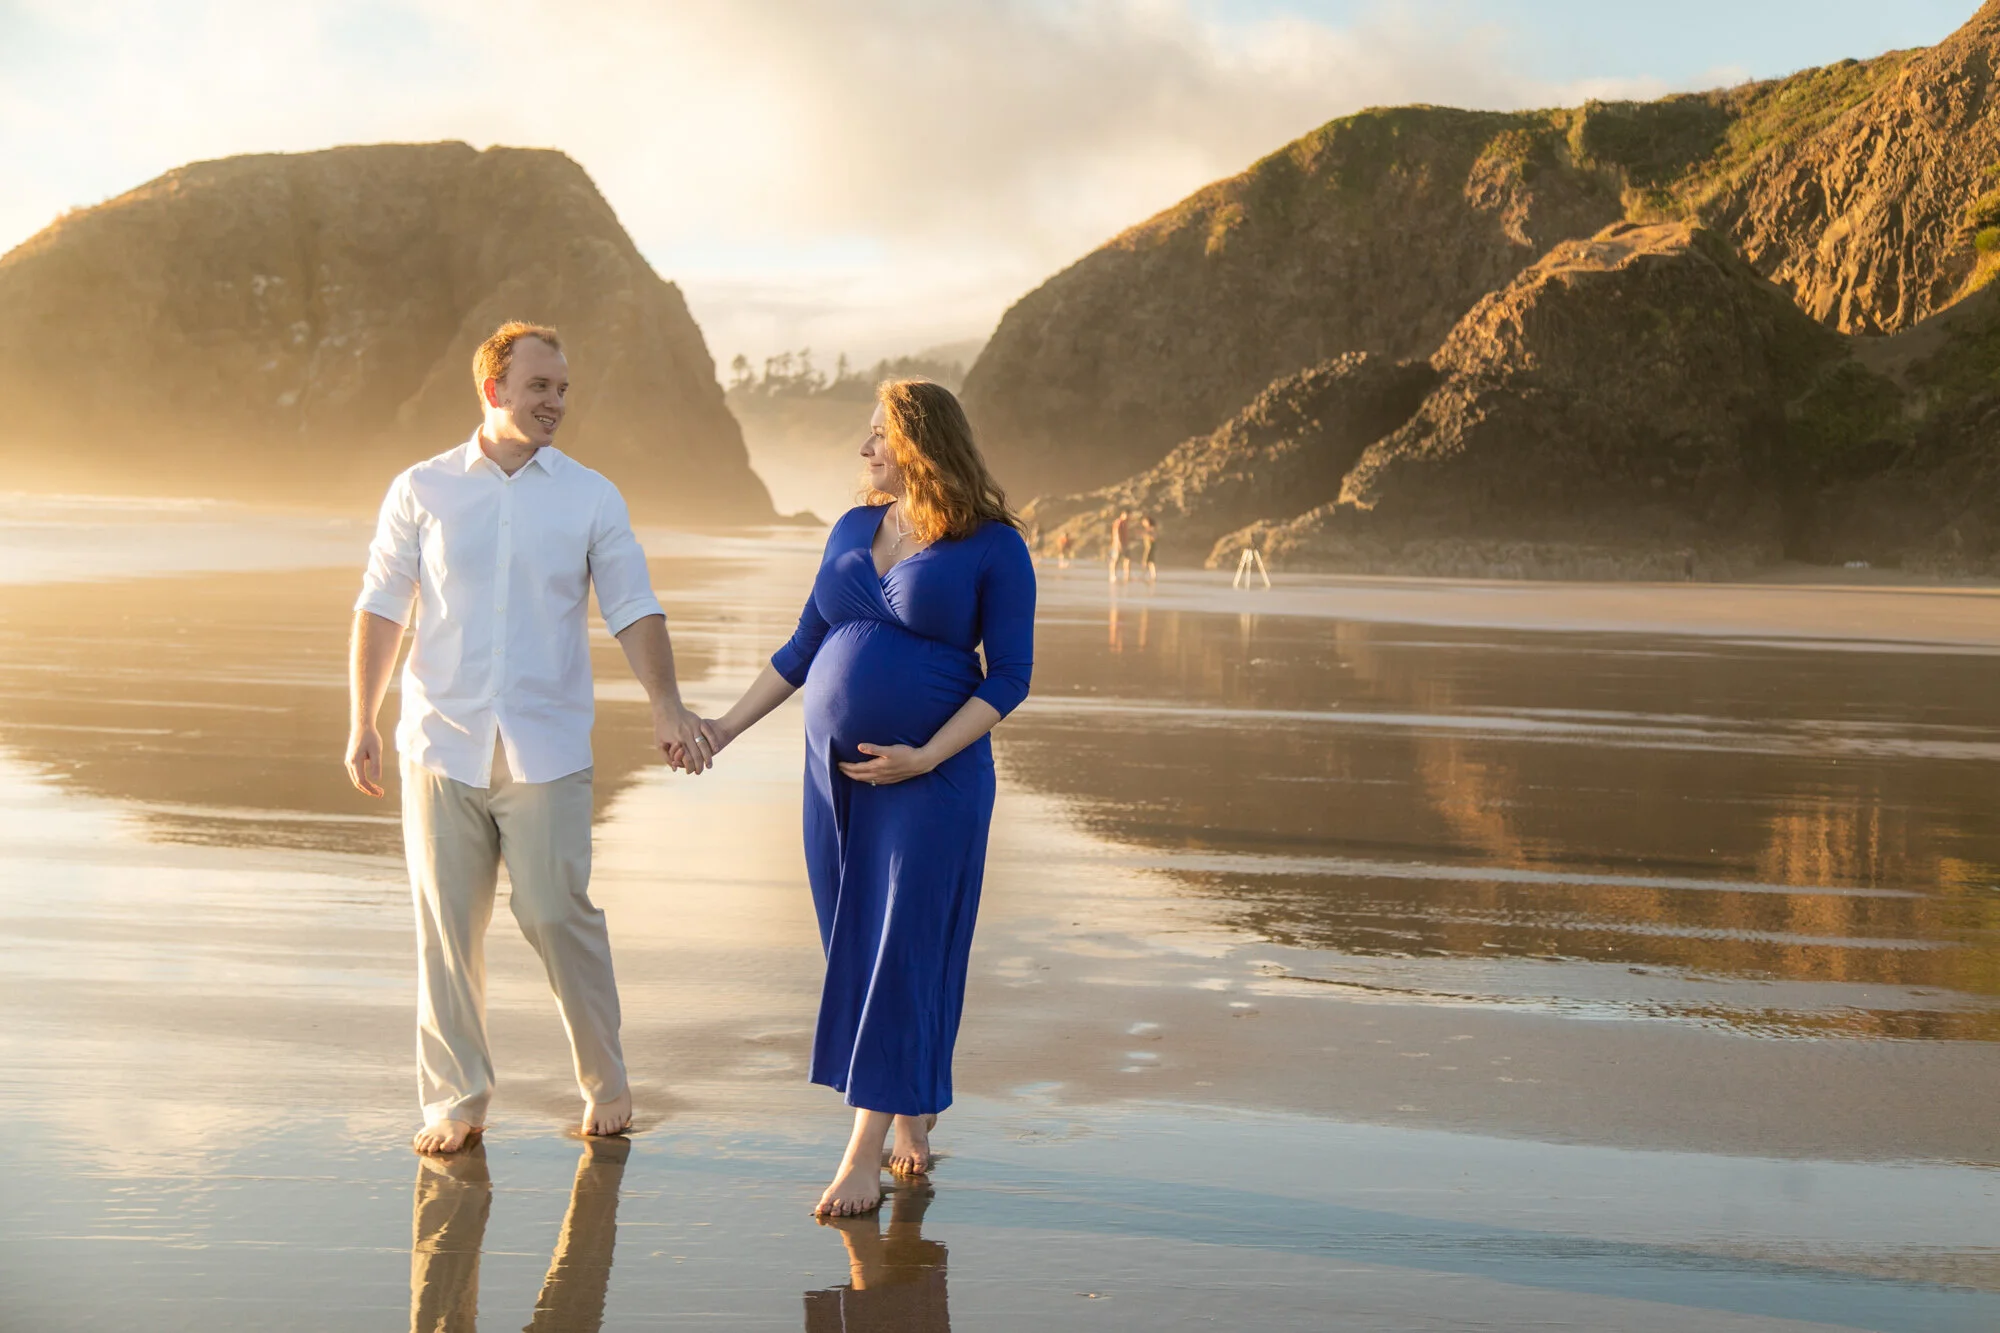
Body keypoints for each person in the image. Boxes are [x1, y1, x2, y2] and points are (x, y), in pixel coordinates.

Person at [345, 321, 714, 1156]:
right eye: (540, 387)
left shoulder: (590, 495)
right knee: (445, 928)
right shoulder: (422, 489)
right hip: (441, 743)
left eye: (562, 389)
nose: (555, 402)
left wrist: (667, 703)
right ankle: (456, 1099)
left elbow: (633, 606)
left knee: (556, 914)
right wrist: (362, 719)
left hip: (546, 749)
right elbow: (382, 606)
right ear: (494, 390)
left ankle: (606, 1080)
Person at [704, 379, 1035, 1217]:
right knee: (854, 939)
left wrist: (923, 755)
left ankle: (861, 1154)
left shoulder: (993, 546)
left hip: (936, 782)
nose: (864, 451)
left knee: (899, 947)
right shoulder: (854, 528)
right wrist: (722, 729)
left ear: (920, 443)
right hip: (834, 779)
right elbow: (801, 646)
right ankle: (911, 1104)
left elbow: (1012, 677)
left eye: (878, 436)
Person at [1109, 510, 1130, 582]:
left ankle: (1126, 575)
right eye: (1126, 515)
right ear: (1122, 514)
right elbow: (1116, 534)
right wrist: (1118, 544)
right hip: (1117, 545)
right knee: (1115, 559)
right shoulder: (1118, 522)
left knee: (1127, 559)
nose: (1128, 517)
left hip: (1125, 544)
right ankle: (1112, 575)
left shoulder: (1126, 523)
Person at [1138, 513, 1158, 584]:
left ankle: (1143, 575)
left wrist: (1148, 534)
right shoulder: (1147, 530)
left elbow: (1154, 537)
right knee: (1150, 562)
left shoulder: (1151, 529)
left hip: (1150, 548)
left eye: (1144, 521)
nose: (1143, 523)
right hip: (1148, 547)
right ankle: (1153, 575)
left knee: (1145, 561)